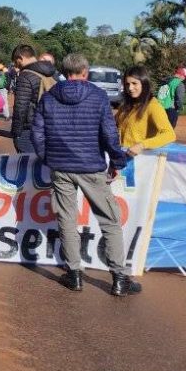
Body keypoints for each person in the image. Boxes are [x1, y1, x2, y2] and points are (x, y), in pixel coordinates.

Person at [30, 53, 138, 297]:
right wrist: (118, 160)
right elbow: (110, 135)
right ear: (85, 72)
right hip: (92, 167)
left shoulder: (48, 98)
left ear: (63, 72)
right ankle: (119, 277)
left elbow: (37, 134)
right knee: (110, 219)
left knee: (67, 219)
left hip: (61, 168)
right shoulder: (98, 96)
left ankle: (74, 273)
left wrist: (49, 157)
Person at [116, 66, 176, 155]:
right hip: (122, 160)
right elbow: (114, 126)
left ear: (144, 83)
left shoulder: (153, 106)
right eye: (127, 84)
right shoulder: (125, 106)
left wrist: (142, 145)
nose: (130, 88)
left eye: (134, 83)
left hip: (142, 162)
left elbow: (170, 135)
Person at [10, 44, 58, 154]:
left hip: (29, 129)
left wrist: (16, 132)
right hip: (49, 126)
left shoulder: (25, 76)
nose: (16, 64)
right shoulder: (51, 74)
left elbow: (20, 107)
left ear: (20, 58)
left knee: (28, 165)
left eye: (16, 61)